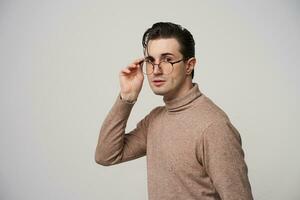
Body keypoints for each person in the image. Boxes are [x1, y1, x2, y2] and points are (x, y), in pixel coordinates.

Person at [95, 22, 253, 200]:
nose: (156, 70)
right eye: (150, 61)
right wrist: (127, 97)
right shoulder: (155, 119)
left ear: (189, 65)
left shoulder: (214, 127)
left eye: (168, 60)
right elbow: (106, 156)